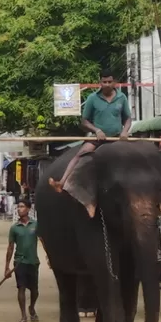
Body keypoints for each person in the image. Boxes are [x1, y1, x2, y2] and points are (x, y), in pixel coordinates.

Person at [48, 73, 132, 217]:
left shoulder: (122, 98)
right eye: (104, 81)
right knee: (80, 155)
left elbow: (128, 118)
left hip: (117, 138)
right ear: (100, 82)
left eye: (109, 82)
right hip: (97, 138)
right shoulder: (92, 98)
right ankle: (61, 182)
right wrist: (96, 130)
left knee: (134, 158)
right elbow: (84, 121)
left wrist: (125, 131)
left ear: (114, 82)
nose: (106, 84)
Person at [4, 199, 41, 322]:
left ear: (29, 209)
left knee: (35, 290)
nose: (19, 209)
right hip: (19, 262)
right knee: (21, 288)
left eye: (22, 206)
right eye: (18, 207)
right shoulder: (14, 228)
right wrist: (7, 267)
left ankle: (32, 307)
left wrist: (49, 258)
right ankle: (23, 315)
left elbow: (43, 241)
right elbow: (10, 247)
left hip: (33, 261)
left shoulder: (35, 225)